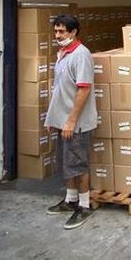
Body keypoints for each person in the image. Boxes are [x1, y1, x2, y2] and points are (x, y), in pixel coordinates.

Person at [44, 14, 97, 229]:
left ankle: (84, 206)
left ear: (73, 32)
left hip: (76, 123)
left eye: (62, 31)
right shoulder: (63, 54)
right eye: (55, 31)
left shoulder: (81, 55)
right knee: (66, 162)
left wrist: (71, 121)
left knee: (78, 164)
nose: (57, 35)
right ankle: (70, 200)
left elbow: (83, 90)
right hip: (63, 120)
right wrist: (53, 117)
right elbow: (60, 90)